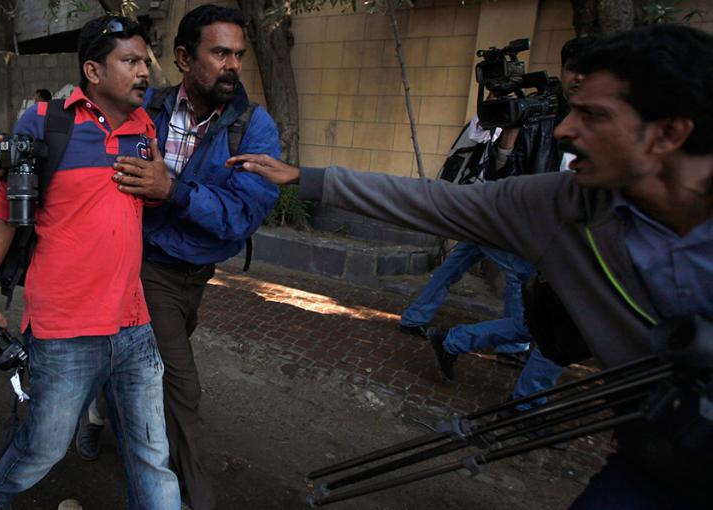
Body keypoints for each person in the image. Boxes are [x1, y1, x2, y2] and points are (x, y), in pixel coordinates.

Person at [229, 24, 712, 509]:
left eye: (593, 115)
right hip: (656, 456)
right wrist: (306, 177)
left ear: (669, 133)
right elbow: (436, 202)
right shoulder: (564, 206)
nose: (565, 131)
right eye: (571, 109)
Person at [0, 16, 180, 509]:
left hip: (135, 326)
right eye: (130, 61)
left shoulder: (147, 128)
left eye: (145, 60)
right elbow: (4, 214)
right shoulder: (46, 121)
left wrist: (166, 189)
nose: (143, 71)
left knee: (152, 454)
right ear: (93, 71)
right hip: (63, 332)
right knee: (43, 447)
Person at [105, 5, 280, 508]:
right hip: (146, 267)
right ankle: (190, 497)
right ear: (184, 57)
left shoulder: (254, 127)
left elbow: (242, 215)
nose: (233, 65)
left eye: (239, 55)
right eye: (219, 52)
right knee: (181, 388)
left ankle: (100, 408)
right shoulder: (148, 110)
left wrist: (173, 189)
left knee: (143, 366)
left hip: (198, 276)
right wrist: (8, 161)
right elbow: (84, 133)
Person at [405, 38, 596, 404]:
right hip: (501, 221)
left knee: (518, 309)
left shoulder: (573, 115)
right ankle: (521, 389)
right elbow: (494, 164)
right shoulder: (532, 114)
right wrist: (507, 131)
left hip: (520, 226)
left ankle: (452, 339)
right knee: (536, 305)